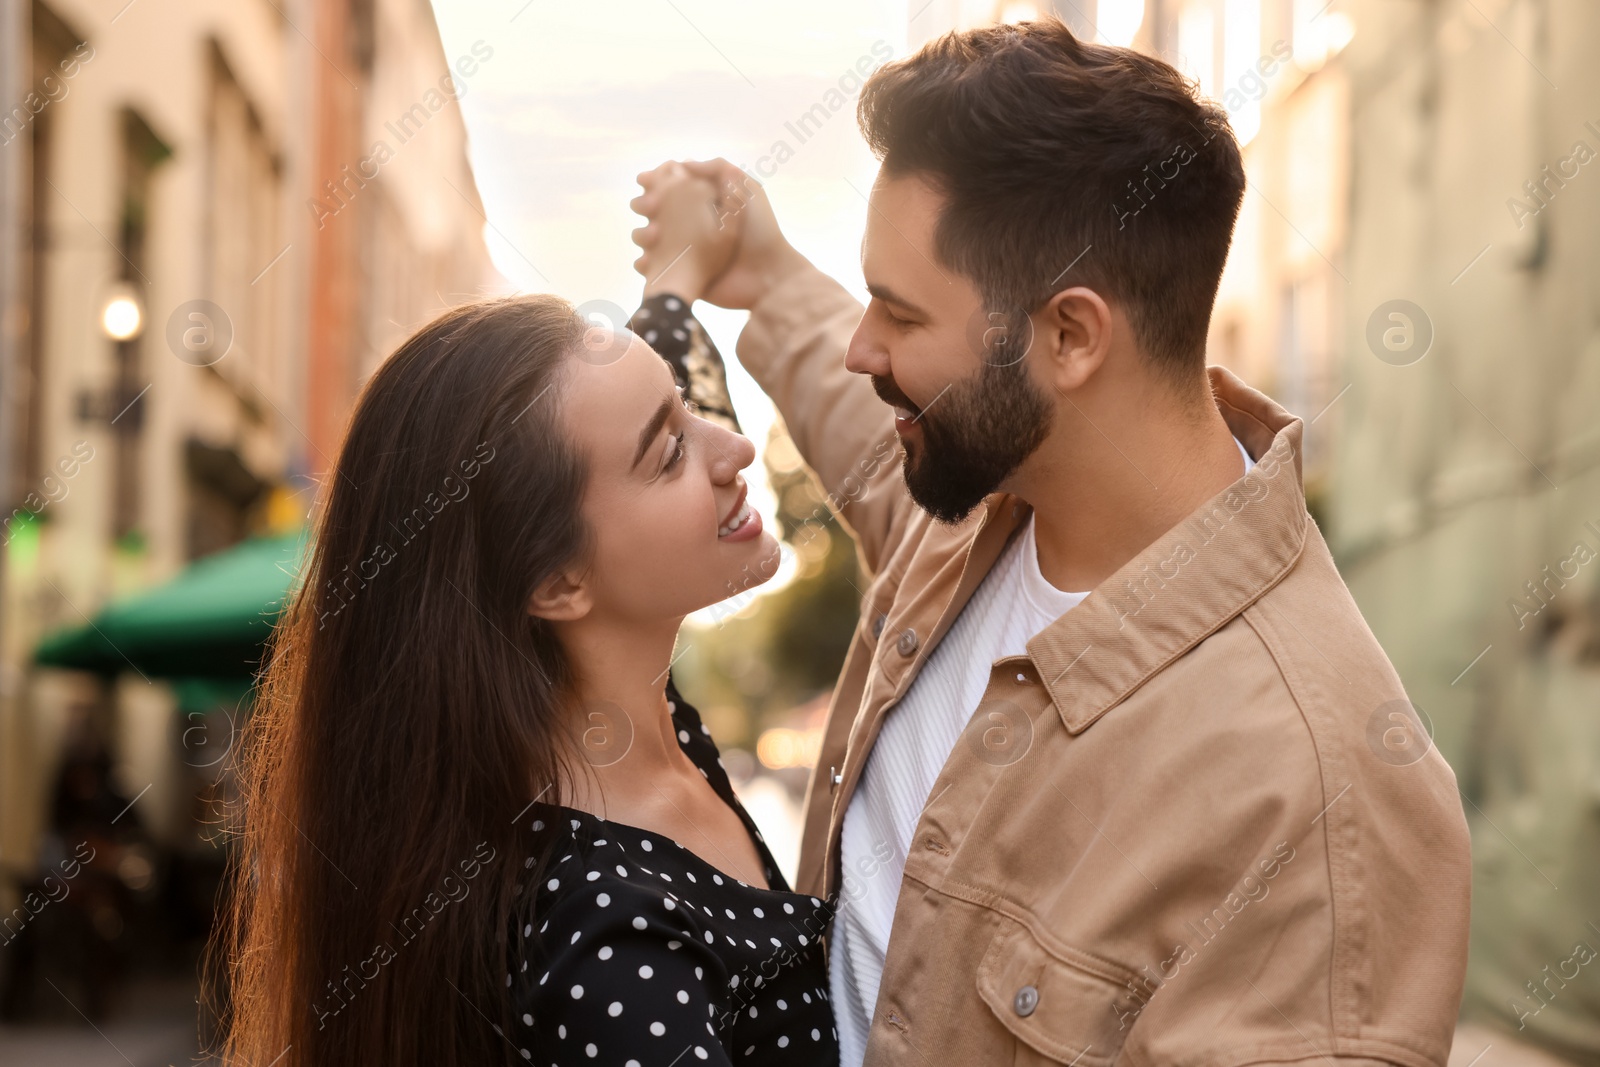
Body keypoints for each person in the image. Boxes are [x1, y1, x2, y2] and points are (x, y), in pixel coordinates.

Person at [632, 18, 1473, 1067]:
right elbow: (862, 420)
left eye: (897, 312)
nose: (861, 346)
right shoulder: (975, 512)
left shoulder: (1319, 792)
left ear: (1070, 336)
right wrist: (758, 266)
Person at [209, 168, 839, 1067]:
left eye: (693, 412)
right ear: (557, 583)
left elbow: (635, 393)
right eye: (671, 453)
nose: (732, 447)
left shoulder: (627, 732)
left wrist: (677, 278)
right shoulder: (612, 947)